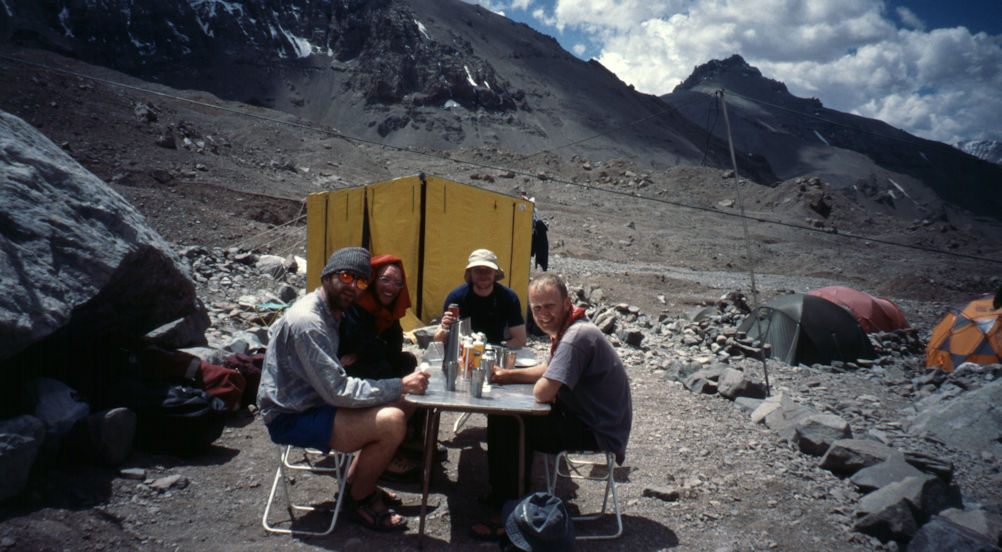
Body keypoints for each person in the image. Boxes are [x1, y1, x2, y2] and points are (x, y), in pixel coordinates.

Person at [257, 247, 430, 532]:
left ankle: (358, 481)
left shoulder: (333, 312)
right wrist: (399, 384)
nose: (353, 286)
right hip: (294, 414)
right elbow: (337, 391)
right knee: (393, 420)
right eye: (347, 276)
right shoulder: (309, 321)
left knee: (409, 400)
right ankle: (360, 498)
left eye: (361, 281)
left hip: (318, 402)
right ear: (328, 275)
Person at [472, 273, 632, 540]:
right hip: (595, 420)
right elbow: (549, 368)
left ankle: (509, 512)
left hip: (598, 430)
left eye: (550, 306)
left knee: (511, 420)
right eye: (537, 308)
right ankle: (507, 496)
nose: (543, 314)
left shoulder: (574, 337)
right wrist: (506, 375)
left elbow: (543, 392)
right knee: (508, 416)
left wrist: (537, 385)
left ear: (566, 303)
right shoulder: (572, 327)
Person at [338, 254, 422, 481]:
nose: (391, 288)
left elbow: (393, 345)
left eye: (397, 283)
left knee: (408, 362)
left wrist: (370, 348)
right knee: (383, 368)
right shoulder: (358, 303)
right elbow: (359, 341)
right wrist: (369, 348)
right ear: (373, 280)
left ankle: (409, 436)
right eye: (385, 280)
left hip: (365, 361)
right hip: (342, 372)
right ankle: (384, 445)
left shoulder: (388, 310)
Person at [434, 248, 527, 348]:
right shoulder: (456, 297)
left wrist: (496, 352)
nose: (483, 275)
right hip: (463, 351)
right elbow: (438, 339)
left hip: (494, 350)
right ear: (470, 272)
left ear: (495, 272)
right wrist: (444, 328)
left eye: (488, 270)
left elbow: (520, 339)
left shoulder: (509, 297)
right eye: (478, 270)